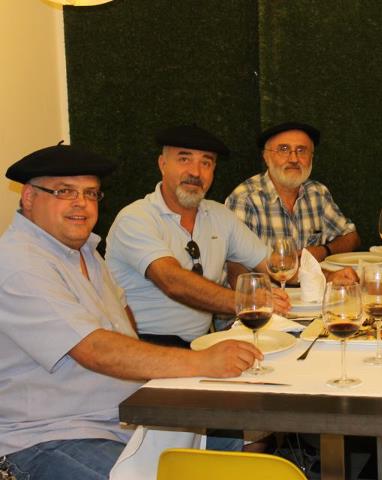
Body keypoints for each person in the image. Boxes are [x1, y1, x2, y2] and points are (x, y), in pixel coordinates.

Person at [0, 144, 263, 480]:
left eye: (90, 193)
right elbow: (94, 349)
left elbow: (122, 318)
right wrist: (203, 362)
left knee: (234, 438)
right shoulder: (20, 262)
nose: (81, 203)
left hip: (125, 417)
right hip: (51, 435)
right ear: (29, 197)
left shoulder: (84, 250)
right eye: (64, 191)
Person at [105, 125, 292, 348]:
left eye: (206, 163)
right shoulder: (136, 218)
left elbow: (273, 264)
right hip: (143, 345)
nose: (195, 172)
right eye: (184, 159)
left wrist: (326, 276)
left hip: (201, 344)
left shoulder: (220, 216)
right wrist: (247, 301)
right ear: (162, 165)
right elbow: (173, 282)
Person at [225, 122, 361, 262]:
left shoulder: (317, 193)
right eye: (283, 149)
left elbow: (352, 237)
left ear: (311, 157)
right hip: (266, 277)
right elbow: (235, 265)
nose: (294, 159)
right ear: (266, 157)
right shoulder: (245, 199)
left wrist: (324, 250)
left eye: (301, 150)